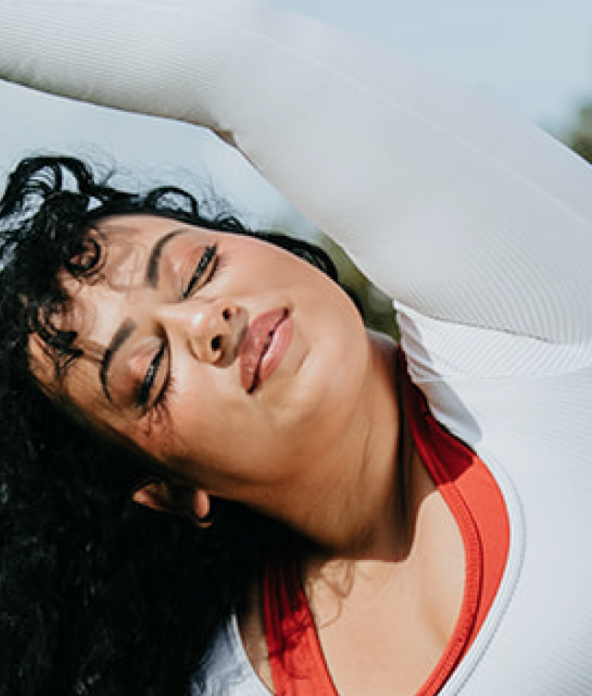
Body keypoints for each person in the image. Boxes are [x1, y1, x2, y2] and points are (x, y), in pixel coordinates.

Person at [1, 1, 592, 695]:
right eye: (151, 372)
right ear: (168, 489)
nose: (205, 322)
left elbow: (236, 60)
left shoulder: (537, 325)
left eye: (196, 269)